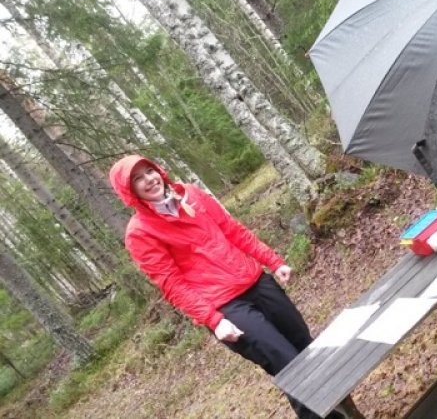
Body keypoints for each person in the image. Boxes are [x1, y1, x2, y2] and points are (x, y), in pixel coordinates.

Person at [109, 155, 337, 419]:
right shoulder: (140, 232)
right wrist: (214, 321)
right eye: (138, 179)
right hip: (226, 307)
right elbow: (171, 284)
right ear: (130, 191)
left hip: (255, 281)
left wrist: (273, 261)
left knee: (307, 347)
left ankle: (346, 410)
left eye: (149, 171)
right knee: (288, 365)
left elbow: (233, 230)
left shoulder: (191, 194)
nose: (149, 179)